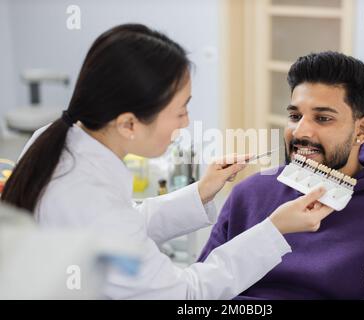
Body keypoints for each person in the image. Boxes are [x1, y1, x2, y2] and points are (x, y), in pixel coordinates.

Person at [0, 24, 334, 299]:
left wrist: (201, 191)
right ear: (129, 123)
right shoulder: (88, 197)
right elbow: (186, 295)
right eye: (180, 110)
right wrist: (274, 231)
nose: (186, 122)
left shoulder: (58, 136)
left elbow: (124, 222)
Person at [199, 51, 364, 299]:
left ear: (361, 130)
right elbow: (197, 292)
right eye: (295, 116)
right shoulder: (249, 194)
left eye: (323, 118)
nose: (301, 131)